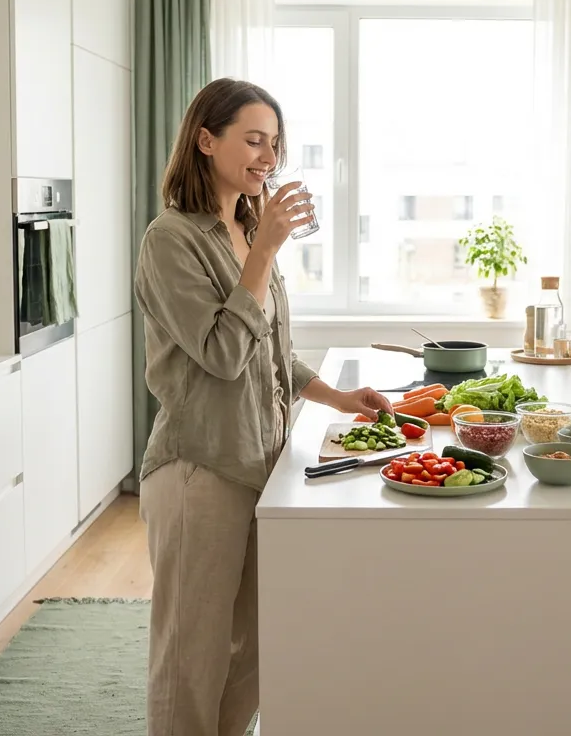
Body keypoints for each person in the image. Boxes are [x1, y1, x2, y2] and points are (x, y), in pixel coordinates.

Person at [133, 77, 393, 735]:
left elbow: (268, 352)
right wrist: (269, 250)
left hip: (262, 463)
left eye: (274, 144)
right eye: (253, 140)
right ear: (205, 140)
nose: (267, 157)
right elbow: (221, 353)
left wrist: (337, 397)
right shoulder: (172, 240)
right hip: (200, 468)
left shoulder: (245, 231)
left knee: (256, 649)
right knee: (189, 656)